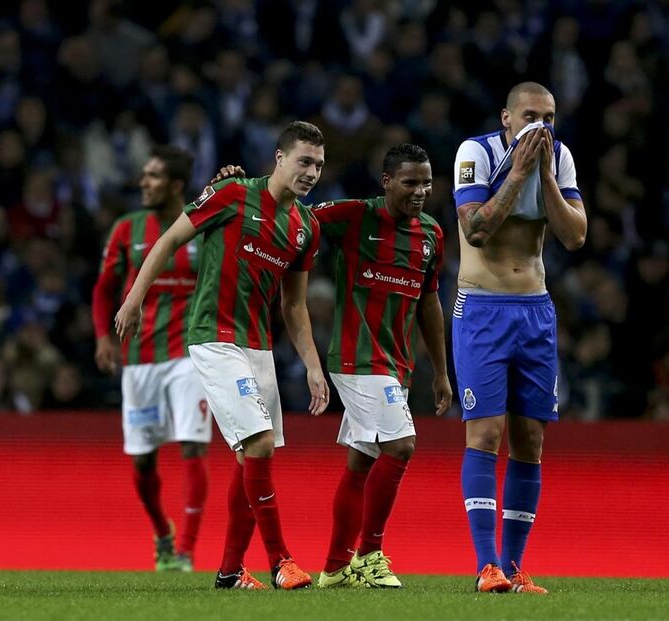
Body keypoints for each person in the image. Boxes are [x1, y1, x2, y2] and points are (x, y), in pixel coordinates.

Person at [210, 143, 453, 589]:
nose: (420, 191)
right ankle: (369, 553)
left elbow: (430, 301)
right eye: (410, 181)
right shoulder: (355, 215)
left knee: (363, 461)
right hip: (356, 357)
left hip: (396, 362)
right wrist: (237, 189)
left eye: (427, 182)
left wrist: (440, 370)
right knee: (401, 446)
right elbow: (291, 213)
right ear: (387, 182)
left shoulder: (434, 233)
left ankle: (337, 566)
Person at [115, 121, 329, 591]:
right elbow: (170, 239)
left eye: (318, 164)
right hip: (214, 336)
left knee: (252, 458)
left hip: (258, 346)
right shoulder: (233, 194)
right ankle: (280, 561)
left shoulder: (305, 227)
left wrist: (313, 365)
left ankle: (230, 571)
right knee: (258, 446)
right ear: (279, 158)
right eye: (303, 161)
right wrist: (134, 298)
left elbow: (294, 306)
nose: (311, 172)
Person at [451, 81, 587, 593]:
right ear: (506, 118)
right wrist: (522, 171)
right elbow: (477, 230)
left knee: (530, 443)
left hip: (535, 310)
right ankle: (486, 566)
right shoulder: (476, 153)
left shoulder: (561, 159)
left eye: (549, 117)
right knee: (485, 435)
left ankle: (513, 567)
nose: (542, 126)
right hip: (482, 307)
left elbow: (574, 236)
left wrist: (546, 175)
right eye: (531, 115)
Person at [92, 145, 210, 573]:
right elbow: (105, 288)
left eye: (153, 176)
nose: (143, 183)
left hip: (190, 352)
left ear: (176, 185)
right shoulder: (127, 228)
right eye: (143, 175)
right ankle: (164, 532)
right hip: (139, 356)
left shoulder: (202, 225)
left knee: (194, 445)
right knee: (142, 460)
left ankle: (186, 553)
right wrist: (103, 336)